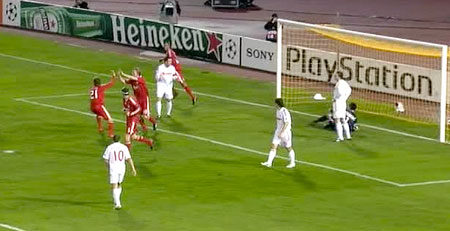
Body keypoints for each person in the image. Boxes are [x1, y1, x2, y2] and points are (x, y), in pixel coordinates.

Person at [103, 135, 136, 210]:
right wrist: (133, 169)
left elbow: (105, 159)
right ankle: (117, 200)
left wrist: (108, 167)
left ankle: (118, 203)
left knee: (114, 185)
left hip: (113, 168)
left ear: (113, 140)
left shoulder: (110, 147)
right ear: (120, 140)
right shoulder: (124, 147)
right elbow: (129, 159)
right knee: (119, 184)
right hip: (122, 168)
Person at [261, 98, 296, 168]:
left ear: (277, 104)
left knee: (288, 147)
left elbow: (287, 123)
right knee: (273, 146)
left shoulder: (284, 111)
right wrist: (279, 132)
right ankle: (269, 162)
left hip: (286, 132)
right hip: (278, 131)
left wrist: (282, 132)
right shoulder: (278, 111)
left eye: (275, 103)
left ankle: (292, 162)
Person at [90, 72, 115, 138]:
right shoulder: (101, 87)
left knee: (99, 115)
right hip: (99, 106)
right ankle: (110, 134)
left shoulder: (92, 89)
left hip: (92, 107)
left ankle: (100, 127)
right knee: (110, 120)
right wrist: (113, 77)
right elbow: (111, 83)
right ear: (100, 83)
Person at [333, 75, 352, 142]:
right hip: (343, 102)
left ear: (338, 76)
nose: (334, 77)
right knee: (343, 119)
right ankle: (348, 136)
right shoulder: (345, 82)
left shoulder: (339, 83)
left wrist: (336, 98)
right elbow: (350, 90)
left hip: (338, 102)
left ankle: (340, 137)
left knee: (337, 120)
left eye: (335, 76)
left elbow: (340, 92)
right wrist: (345, 97)